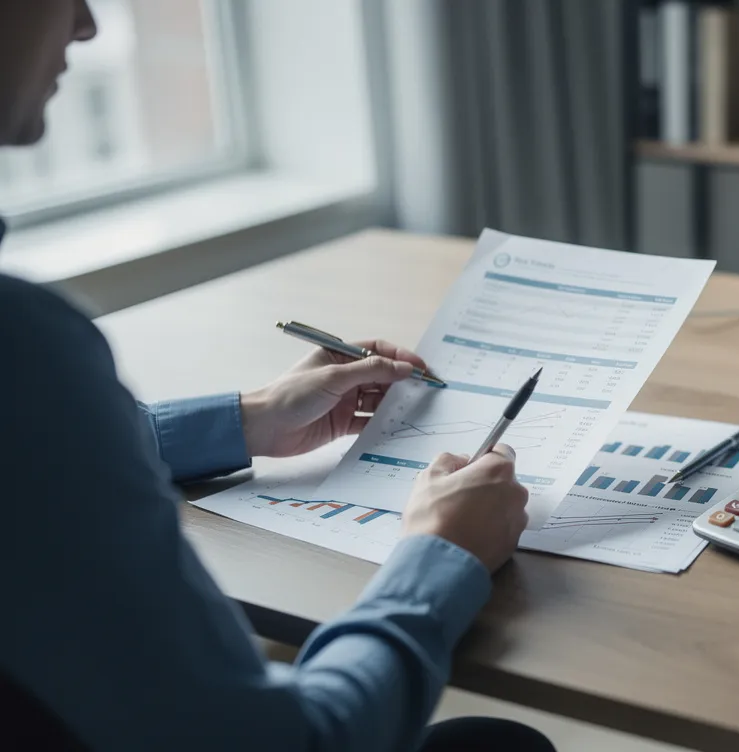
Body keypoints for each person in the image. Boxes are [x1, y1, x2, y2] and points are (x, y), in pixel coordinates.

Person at [0, 2, 554, 750]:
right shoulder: (24, 345)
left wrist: (249, 417)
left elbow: (33, 467)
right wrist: (440, 556)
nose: (87, 24)